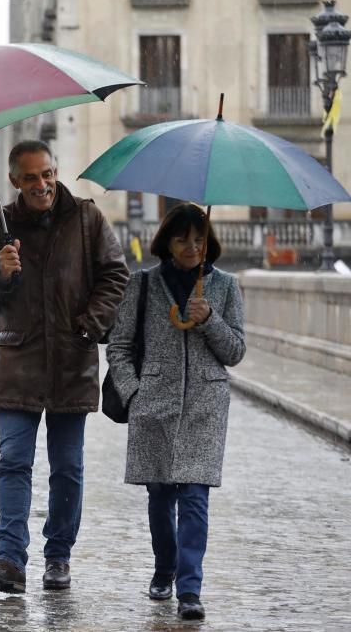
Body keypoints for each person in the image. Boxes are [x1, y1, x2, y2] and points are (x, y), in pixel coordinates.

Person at [0, 140, 129, 592]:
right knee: (13, 462)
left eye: (49, 174)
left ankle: (58, 556)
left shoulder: (86, 218)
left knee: (68, 467)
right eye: (33, 177)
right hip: (17, 360)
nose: (43, 185)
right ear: (15, 180)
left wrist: (90, 324)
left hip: (71, 360)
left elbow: (116, 274)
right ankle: (10, 559)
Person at [106, 203, 245, 621]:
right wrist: (135, 393)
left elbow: (235, 351)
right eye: (183, 239)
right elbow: (119, 346)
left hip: (205, 406)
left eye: (199, 240)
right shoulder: (143, 284)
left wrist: (210, 320)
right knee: (161, 497)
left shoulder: (224, 287)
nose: (192, 247)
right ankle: (164, 567)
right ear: (167, 240)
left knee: (195, 498)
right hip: (155, 406)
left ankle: (189, 589)